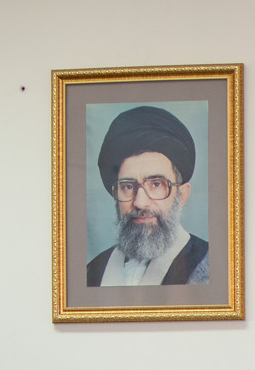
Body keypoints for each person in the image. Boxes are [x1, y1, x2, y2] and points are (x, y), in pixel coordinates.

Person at [87, 105, 210, 287]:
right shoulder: (92, 272)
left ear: (182, 195)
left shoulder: (212, 267)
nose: (140, 202)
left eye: (156, 184)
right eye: (128, 186)